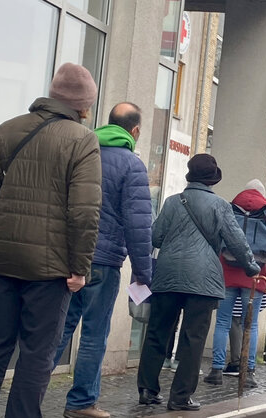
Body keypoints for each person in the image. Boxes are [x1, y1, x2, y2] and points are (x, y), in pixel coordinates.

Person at [0, 63, 102, 418]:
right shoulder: (83, 140)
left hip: (3, 259)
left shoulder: (8, 129)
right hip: (51, 269)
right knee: (37, 353)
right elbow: (85, 212)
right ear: (84, 104)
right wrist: (80, 268)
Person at [137, 154, 260, 411]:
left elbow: (156, 237)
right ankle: (180, 397)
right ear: (212, 180)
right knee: (193, 338)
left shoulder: (172, 202)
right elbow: (236, 241)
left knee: (157, 334)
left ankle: (148, 390)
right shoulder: (220, 206)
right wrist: (251, 267)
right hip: (203, 281)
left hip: (168, 277)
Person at [53, 102, 152, 418]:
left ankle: (30, 388)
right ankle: (81, 403)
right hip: (104, 262)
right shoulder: (132, 165)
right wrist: (142, 271)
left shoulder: (81, 153)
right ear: (134, 131)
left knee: (59, 329)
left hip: (67, 257)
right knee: (95, 333)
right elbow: (138, 223)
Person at [205, 180, 266, 388]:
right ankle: (248, 372)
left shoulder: (230, 211)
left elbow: (216, 240)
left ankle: (216, 370)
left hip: (228, 274)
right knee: (250, 324)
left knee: (222, 321)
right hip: (255, 277)